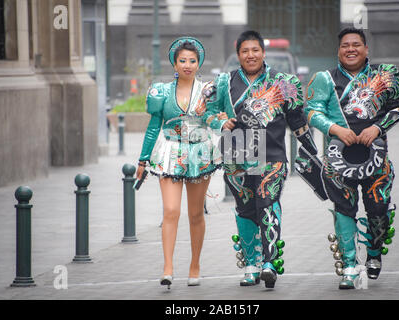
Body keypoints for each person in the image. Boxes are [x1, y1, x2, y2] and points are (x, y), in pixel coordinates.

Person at [203, 30, 318, 288]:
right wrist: (221, 121)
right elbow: (208, 112)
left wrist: (310, 147)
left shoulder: (283, 81)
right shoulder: (225, 83)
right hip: (236, 155)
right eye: (245, 51)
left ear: (263, 53)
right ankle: (251, 264)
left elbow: (296, 118)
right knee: (245, 210)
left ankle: (269, 262)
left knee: (267, 202)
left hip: (273, 153)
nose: (250, 55)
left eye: (255, 50)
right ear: (238, 54)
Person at [305, 27, 399, 289]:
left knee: (378, 209)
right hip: (338, 162)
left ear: (366, 49)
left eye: (356, 45)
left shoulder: (384, 77)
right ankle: (349, 266)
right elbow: (311, 112)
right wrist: (336, 129)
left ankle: (374, 253)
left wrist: (378, 128)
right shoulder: (324, 79)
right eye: (345, 45)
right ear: (338, 51)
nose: (350, 49)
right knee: (344, 210)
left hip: (376, 159)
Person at [136, 37, 221, 289]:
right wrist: (142, 159)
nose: (187, 65)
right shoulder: (160, 91)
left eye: (192, 61)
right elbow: (153, 128)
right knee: (171, 211)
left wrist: (223, 123)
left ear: (199, 63)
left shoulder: (209, 91)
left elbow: (216, 120)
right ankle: (168, 267)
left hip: (199, 154)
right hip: (170, 154)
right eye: (182, 60)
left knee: (195, 214)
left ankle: (195, 265)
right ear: (174, 63)